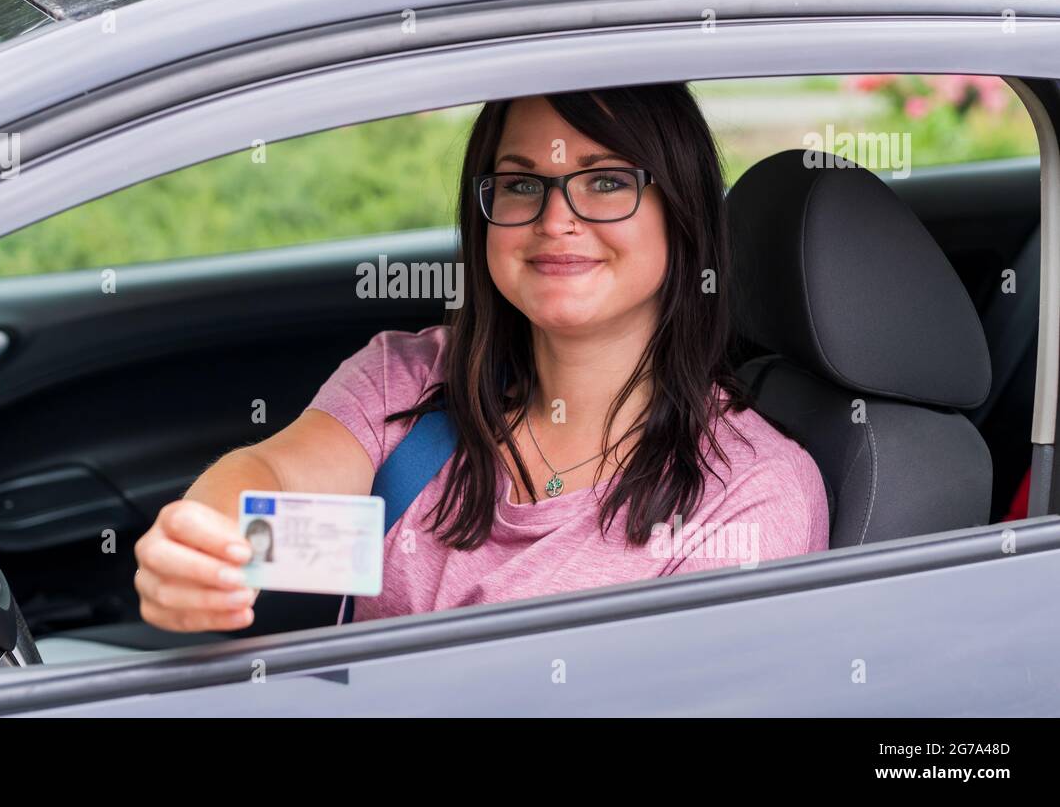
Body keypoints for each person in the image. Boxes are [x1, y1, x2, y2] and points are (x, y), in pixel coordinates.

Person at [133, 84, 830, 634]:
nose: (557, 219)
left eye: (606, 181)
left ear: (682, 210)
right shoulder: (409, 383)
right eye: (523, 183)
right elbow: (272, 478)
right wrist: (206, 547)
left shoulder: (750, 495)